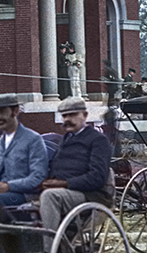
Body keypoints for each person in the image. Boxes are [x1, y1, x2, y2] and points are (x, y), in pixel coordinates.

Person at [39, 97, 112, 250]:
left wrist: (63, 183)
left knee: (50, 196)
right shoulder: (66, 139)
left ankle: (49, 249)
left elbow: (97, 178)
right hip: (65, 192)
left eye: (73, 115)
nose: (68, 120)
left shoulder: (98, 140)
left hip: (91, 195)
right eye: (65, 116)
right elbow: (56, 168)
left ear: (85, 115)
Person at [0, 94, 48, 208]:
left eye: (2, 112)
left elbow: (38, 177)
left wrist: (8, 186)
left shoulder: (33, 140)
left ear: (16, 111)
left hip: (23, 196)